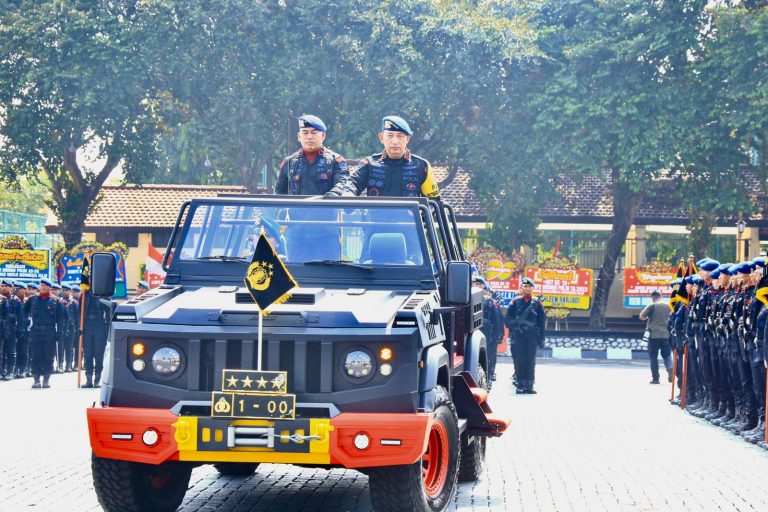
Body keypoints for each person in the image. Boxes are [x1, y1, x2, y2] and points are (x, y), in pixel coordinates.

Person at [274, 114, 348, 261]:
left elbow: (342, 183)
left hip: (326, 233)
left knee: (329, 279)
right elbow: (278, 193)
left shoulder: (335, 161)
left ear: (323, 135)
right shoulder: (289, 162)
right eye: (305, 133)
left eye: (314, 133)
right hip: (297, 233)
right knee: (296, 278)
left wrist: (332, 195)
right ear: (299, 136)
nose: (309, 137)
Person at [505, 277, 545, 394]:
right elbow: (507, 317)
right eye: (525, 286)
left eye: (529, 286)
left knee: (530, 360)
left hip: (532, 336)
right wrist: (514, 324)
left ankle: (529, 385)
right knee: (519, 360)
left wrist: (541, 339)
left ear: (533, 288)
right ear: (522, 288)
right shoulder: (515, 302)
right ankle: (520, 385)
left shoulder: (537, 303)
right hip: (518, 335)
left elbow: (542, 322)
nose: (527, 288)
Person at [23, 278, 64, 389]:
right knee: (36, 356)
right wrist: (25, 324)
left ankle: (46, 380)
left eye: (46, 286)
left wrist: (60, 332)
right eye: (41, 285)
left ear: (49, 288)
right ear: (39, 287)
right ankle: (36, 380)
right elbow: (24, 312)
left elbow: (61, 318)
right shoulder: (32, 299)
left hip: (49, 331)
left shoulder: (56, 301)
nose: (43, 287)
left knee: (48, 356)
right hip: (35, 331)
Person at [639, 290, 673, 384]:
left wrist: (648, 316)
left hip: (653, 335)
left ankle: (655, 378)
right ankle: (670, 368)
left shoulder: (652, 305)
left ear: (653, 297)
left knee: (653, 356)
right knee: (667, 355)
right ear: (660, 296)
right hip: (666, 334)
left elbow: (642, 316)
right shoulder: (668, 306)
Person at [81, 289, 111, 388]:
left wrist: (107, 331)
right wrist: (79, 327)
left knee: (99, 355)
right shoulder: (84, 294)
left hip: (99, 326)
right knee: (87, 354)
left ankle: (97, 380)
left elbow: (109, 315)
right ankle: (88, 379)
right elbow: (79, 312)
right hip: (87, 326)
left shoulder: (104, 295)